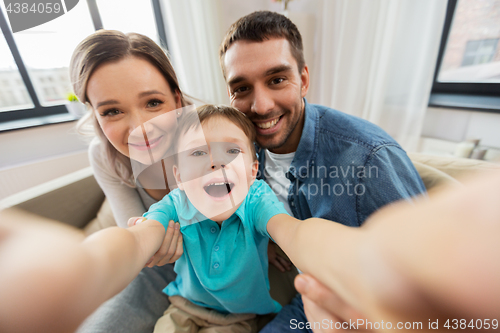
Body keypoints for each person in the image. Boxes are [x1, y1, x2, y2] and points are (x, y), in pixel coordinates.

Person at [218, 10, 427, 332]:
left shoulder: (368, 158)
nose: (260, 106)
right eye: (242, 89)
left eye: (276, 80)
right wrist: (268, 238)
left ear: (303, 80)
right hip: (308, 301)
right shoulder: (244, 151)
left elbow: (427, 274)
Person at [70, 30, 187, 333]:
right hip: (152, 270)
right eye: (112, 111)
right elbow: (134, 236)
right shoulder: (104, 156)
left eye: (152, 103)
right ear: (95, 116)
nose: (140, 128)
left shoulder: (213, 137)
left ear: (176, 99)